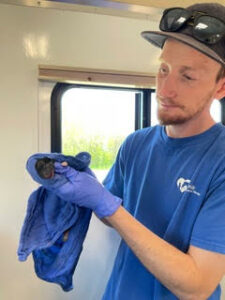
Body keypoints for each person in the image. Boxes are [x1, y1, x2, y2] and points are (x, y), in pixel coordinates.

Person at [55, 2, 225, 299]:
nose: (165, 89)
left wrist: (110, 207)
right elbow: (111, 214)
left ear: (220, 87)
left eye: (187, 77)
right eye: (163, 69)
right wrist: (89, 191)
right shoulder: (136, 143)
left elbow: (197, 286)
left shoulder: (220, 160)